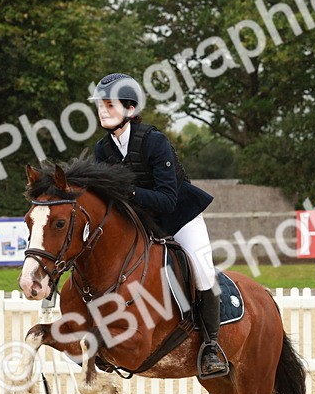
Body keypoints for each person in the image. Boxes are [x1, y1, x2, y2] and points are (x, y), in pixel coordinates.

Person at [89, 73, 228, 378]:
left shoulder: (154, 141)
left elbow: (166, 199)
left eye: (109, 105)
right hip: (140, 220)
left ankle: (211, 346)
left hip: (179, 214)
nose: (102, 110)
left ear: (130, 109)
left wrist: (130, 192)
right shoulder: (103, 149)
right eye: (100, 105)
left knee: (203, 270)